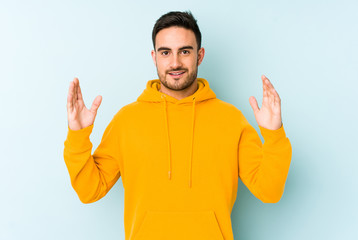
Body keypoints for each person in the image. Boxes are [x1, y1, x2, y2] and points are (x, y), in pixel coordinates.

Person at [64, 11, 292, 240]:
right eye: (166, 52)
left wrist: (273, 135)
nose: (175, 63)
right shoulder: (126, 121)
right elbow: (89, 191)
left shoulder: (232, 120)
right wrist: (77, 136)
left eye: (185, 51)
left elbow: (269, 191)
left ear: (199, 56)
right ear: (154, 57)